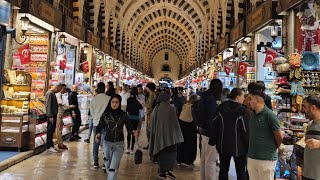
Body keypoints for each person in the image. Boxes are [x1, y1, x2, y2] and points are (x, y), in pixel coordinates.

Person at [209, 88, 249, 180]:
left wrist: (213, 140)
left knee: (223, 170)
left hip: (223, 145)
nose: (244, 98)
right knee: (241, 171)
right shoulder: (242, 110)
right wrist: (248, 146)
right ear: (238, 97)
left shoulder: (221, 107)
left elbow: (214, 124)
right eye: (243, 96)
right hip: (239, 147)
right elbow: (246, 130)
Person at [95, 94, 137, 180]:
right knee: (107, 162)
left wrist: (133, 131)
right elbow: (100, 125)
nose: (114, 104)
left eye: (117, 102)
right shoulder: (105, 114)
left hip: (119, 144)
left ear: (120, 103)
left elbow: (129, 126)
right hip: (107, 143)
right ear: (110, 102)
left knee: (113, 168)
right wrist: (97, 133)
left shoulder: (123, 114)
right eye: (113, 102)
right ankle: (109, 172)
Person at [247, 90, 283, 180]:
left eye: (250, 99)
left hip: (266, 159)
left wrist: (272, 148)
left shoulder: (270, 115)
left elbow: (279, 137)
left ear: (258, 101)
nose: (248, 102)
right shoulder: (252, 115)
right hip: (252, 157)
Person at [149, 92, 184, 179]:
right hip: (171, 137)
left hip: (159, 137)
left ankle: (162, 172)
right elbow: (175, 124)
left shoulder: (156, 109)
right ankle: (167, 171)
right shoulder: (171, 109)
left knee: (161, 153)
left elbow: (151, 125)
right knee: (171, 154)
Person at [200, 79, 223, 180]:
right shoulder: (211, 99)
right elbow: (212, 117)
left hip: (204, 132)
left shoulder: (205, 96)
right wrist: (214, 135)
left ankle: (203, 178)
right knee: (211, 160)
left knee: (204, 159)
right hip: (211, 133)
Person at [89, 82, 111, 168]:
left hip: (96, 123)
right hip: (106, 124)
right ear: (104, 88)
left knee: (96, 142)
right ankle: (105, 163)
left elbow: (92, 113)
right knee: (105, 143)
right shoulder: (109, 98)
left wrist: (96, 118)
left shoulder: (93, 99)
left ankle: (95, 161)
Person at [177, 94, 198, 167]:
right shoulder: (193, 107)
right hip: (190, 128)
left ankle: (180, 159)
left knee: (182, 143)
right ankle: (188, 160)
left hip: (182, 126)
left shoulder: (184, 105)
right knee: (190, 144)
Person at [302, 96, 320, 180]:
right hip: (307, 173)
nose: (303, 110)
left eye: (305, 107)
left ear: (313, 108)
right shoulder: (310, 124)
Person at [45, 83, 65, 153]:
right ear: (57, 87)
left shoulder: (53, 93)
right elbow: (48, 105)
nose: (60, 91)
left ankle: (51, 145)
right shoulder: (49, 93)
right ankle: (49, 146)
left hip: (53, 115)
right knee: (50, 131)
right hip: (51, 116)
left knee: (52, 130)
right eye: (60, 89)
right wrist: (50, 116)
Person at [56, 84, 75, 149]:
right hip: (59, 114)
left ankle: (60, 143)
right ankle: (60, 144)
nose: (65, 91)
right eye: (64, 89)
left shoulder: (60, 94)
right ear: (61, 88)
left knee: (60, 129)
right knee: (59, 129)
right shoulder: (58, 94)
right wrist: (69, 106)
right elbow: (61, 103)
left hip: (60, 113)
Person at [125, 87, 143, 154]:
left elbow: (127, 109)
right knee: (133, 133)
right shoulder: (137, 100)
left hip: (129, 118)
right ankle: (132, 149)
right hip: (136, 119)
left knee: (129, 133)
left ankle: (128, 148)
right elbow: (141, 107)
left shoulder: (128, 100)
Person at [144, 82, 157, 150]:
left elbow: (149, 105)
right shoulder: (152, 94)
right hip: (151, 114)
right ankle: (150, 144)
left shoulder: (152, 95)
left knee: (149, 130)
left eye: (146, 87)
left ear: (149, 88)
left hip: (150, 114)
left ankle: (150, 144)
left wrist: (144, 104)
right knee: (149, 130)